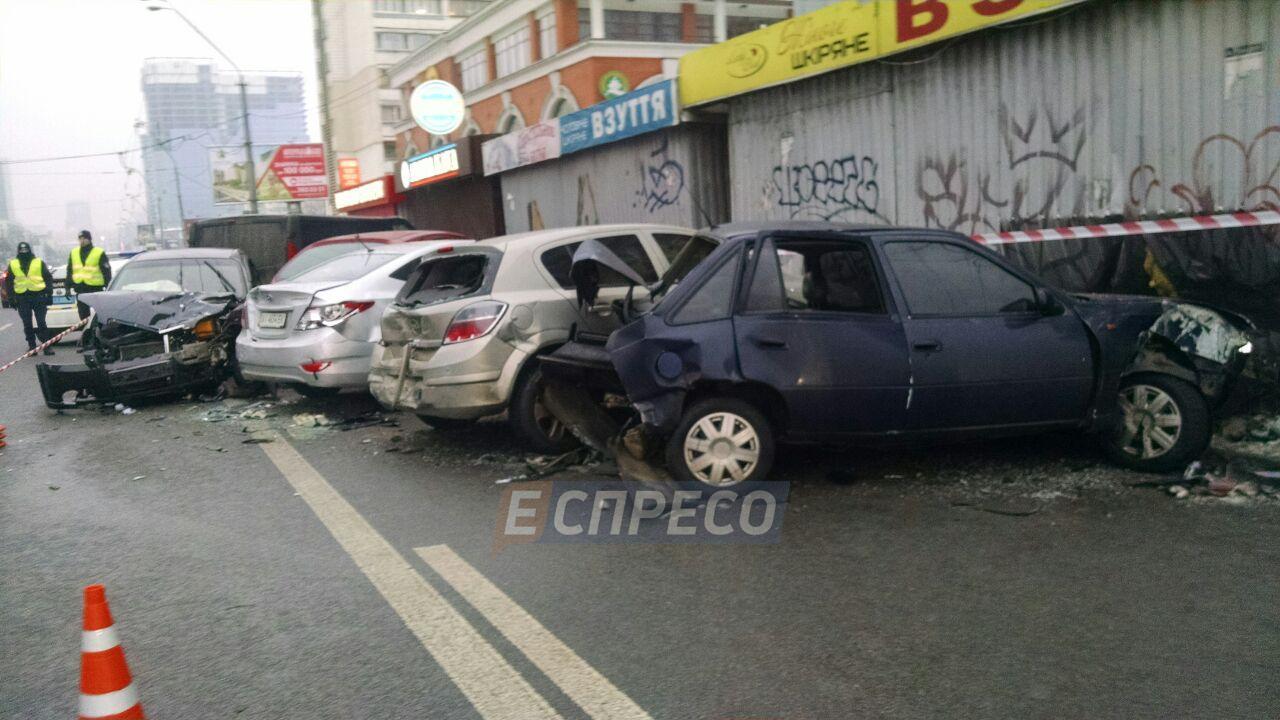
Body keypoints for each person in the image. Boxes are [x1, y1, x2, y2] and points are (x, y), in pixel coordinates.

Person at [5, 241, 55, 355]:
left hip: (38, 296)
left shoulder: (38, 262)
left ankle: (47, 346)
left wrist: (49, 293)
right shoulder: (13, 264)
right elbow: (9, 282)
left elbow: (47, 277)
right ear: (18, 251)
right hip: (22, 297)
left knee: (41, 322)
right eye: (21, 250)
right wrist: (11, 298)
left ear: (29, 250)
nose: (24, 252)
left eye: (26, 250)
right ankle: (32, 346)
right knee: (27, 323)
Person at [68, 229, 111, 320]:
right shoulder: (74, 253)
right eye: (80, 239)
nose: (82, 241)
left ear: (89, 239)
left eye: (84, 238)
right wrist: (67, 287)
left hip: (95, 289)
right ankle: (86, 332)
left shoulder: (98, 252)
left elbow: (106, 271)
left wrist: (108, 287)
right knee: (83, 316)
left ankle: (97, 331)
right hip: (80, 289)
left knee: (98, 314)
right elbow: (70, 270)